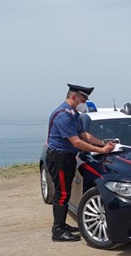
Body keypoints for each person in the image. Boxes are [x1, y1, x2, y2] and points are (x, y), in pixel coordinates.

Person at [46, 84, 115, 242]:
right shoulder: (63, 115)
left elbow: (85, 135)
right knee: (62, 194)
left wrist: (102, 144)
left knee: (66, 192)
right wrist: (101, 151)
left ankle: (62, 225)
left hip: (67, 157)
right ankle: (57, 230)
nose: (84, 102)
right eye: (83, 99)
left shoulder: (74, 115)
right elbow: (77, 142)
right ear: (74, 97)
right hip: (60, 158)